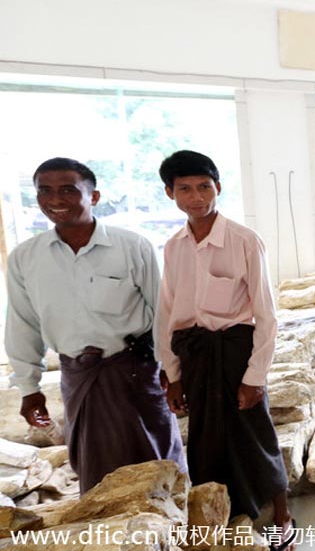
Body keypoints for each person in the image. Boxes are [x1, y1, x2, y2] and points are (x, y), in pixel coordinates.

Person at [5, 157, 185, 493]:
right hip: (80, 379)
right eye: (44, 191)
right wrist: (29, 389)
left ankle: (174, 523)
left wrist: (171, 371)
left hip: (136, 373)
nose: (55, 199)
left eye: (68, 190)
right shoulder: (25, 258)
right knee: (98, 472)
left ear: (94, 196)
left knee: (159, 463)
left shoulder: (132, 246)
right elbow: (22, 324)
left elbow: (163, 313)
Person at [156, 150, 294, 550]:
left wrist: (255, 377)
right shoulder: (174, 247)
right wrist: (173, 374)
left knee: (255, 433)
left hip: (236, 352)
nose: (196, 197)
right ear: (170, 193)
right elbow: (168, 313)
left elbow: (266, 314)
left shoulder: (244, 240)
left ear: (218, 187)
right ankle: (222, 515)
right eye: (185, 189)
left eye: (204, 186)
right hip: (195, 355)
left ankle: (282, 515)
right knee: (205, 439)